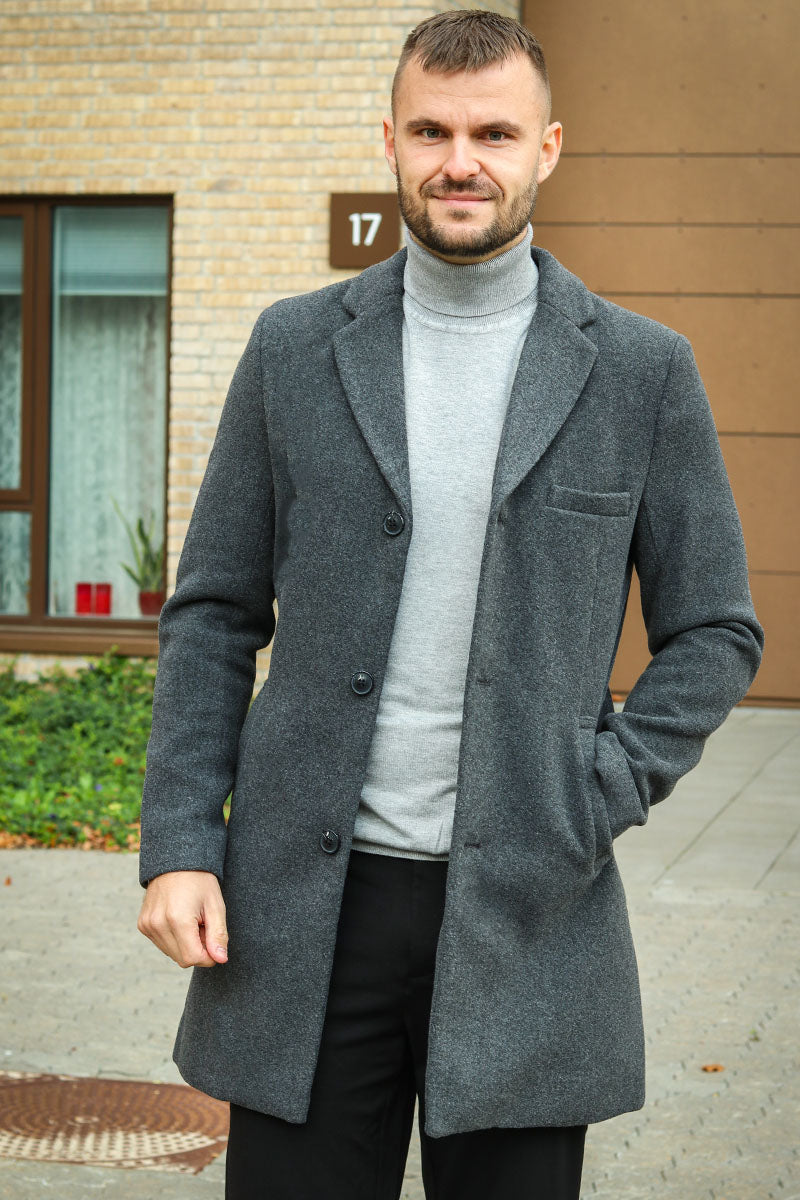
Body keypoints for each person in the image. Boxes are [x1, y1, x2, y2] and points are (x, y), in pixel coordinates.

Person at [136, 10, 764, 1199]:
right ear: (389, 140)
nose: (458, 161)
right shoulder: (294, 348)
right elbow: (213, 611)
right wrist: (178, 845)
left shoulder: (640, 372)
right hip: (306, 914)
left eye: (492, 133)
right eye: (430, 131)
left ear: (546, 149)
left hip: (529, 909)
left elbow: (715, 630)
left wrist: (594, 792)